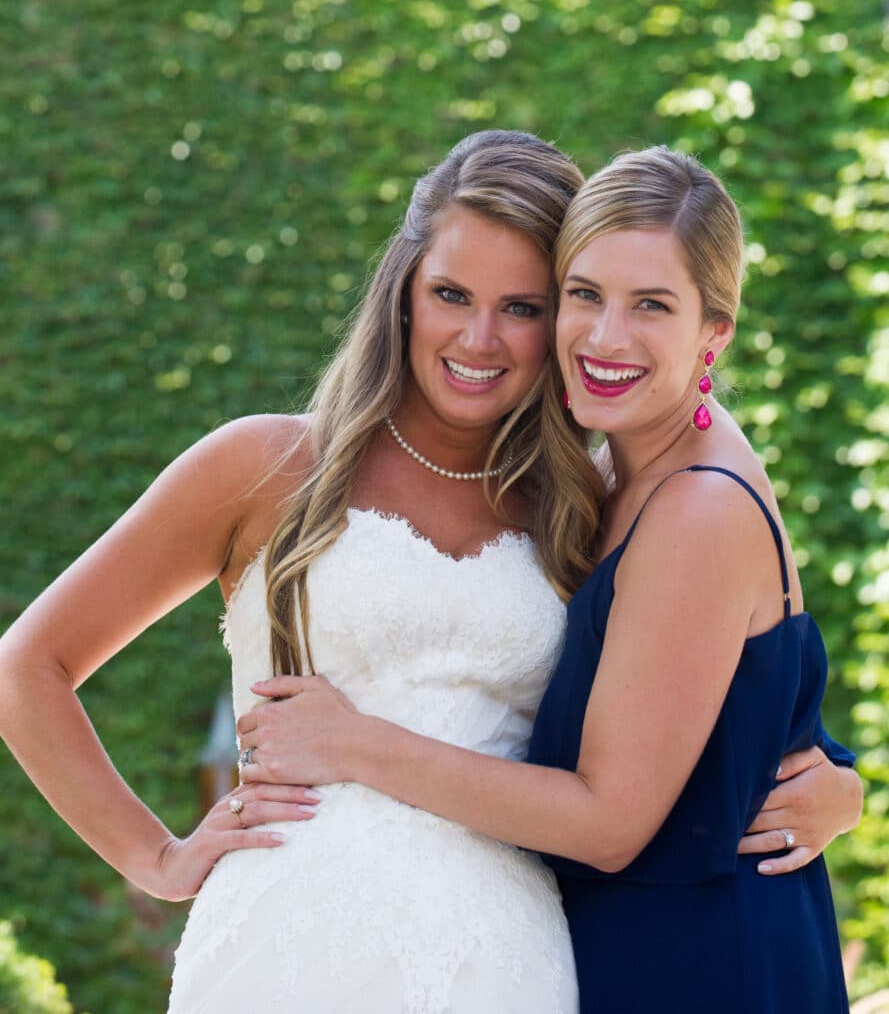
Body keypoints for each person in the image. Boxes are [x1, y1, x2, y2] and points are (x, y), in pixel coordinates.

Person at [0, 133, 858, 1014]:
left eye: (522, 306)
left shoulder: (578, 505)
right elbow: (26, 667)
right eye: (450, 294)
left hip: (509, 956)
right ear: (403, 291)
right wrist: (157, 859)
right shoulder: (263, 464)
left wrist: (832, 778)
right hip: (285, 942)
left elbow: (714, 673)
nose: (478, 338)